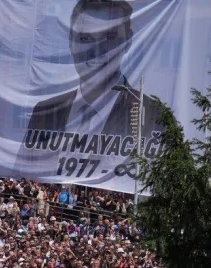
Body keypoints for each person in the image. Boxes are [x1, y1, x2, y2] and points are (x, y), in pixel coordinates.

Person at [18, 0, 161, 168]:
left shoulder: (153, 117)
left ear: (128, 42)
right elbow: (23, 169)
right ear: (71, 42)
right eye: (85, 38)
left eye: (109, 37)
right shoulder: (44, 113)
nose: (95, 49)